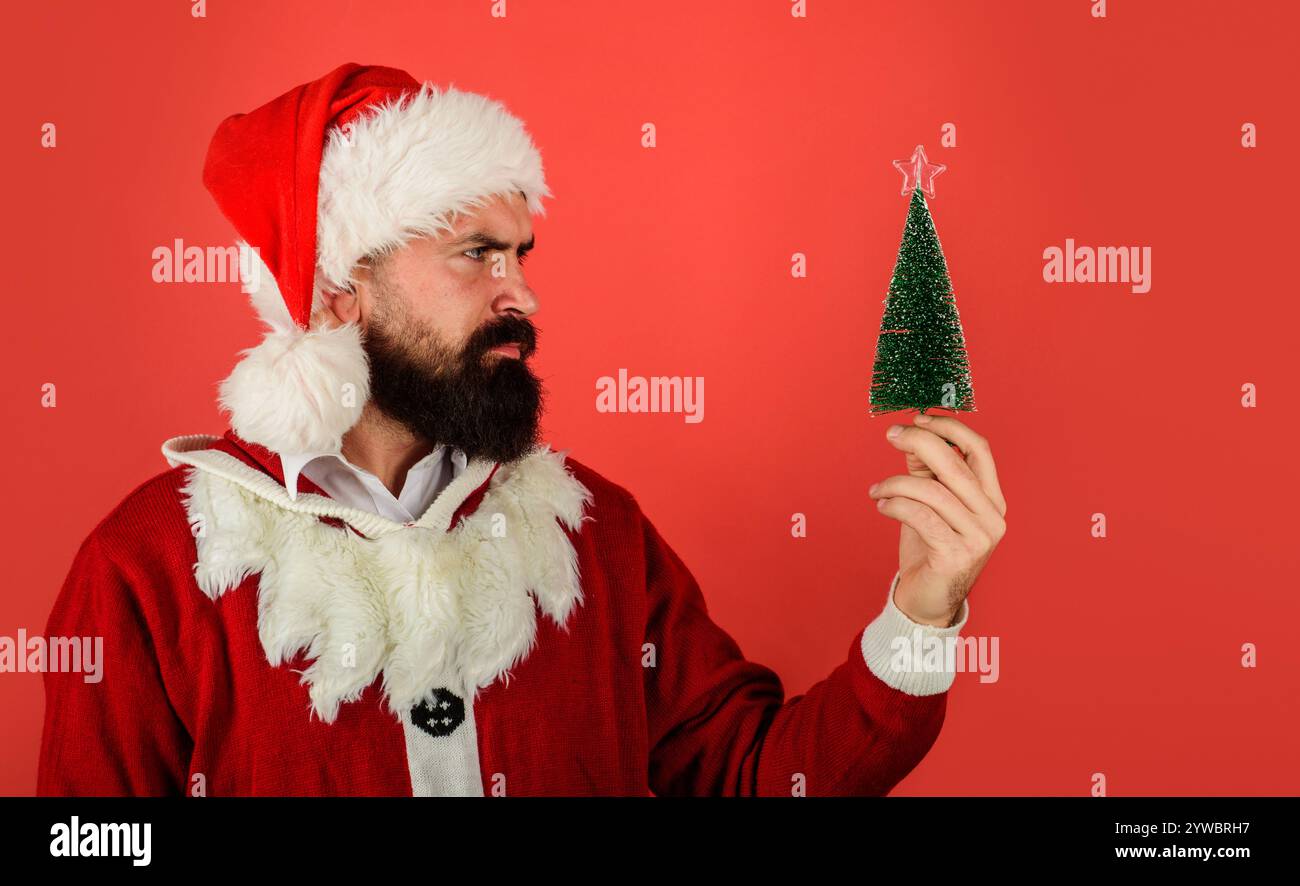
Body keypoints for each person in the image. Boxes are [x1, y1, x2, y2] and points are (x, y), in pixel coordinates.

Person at [36, 62, 1007, 797]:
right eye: (476, 254)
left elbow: (754, 776)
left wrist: (920, 613)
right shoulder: (151, 568)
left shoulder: (598, 535)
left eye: (521, 252)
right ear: (335, 290)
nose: (523, 290)